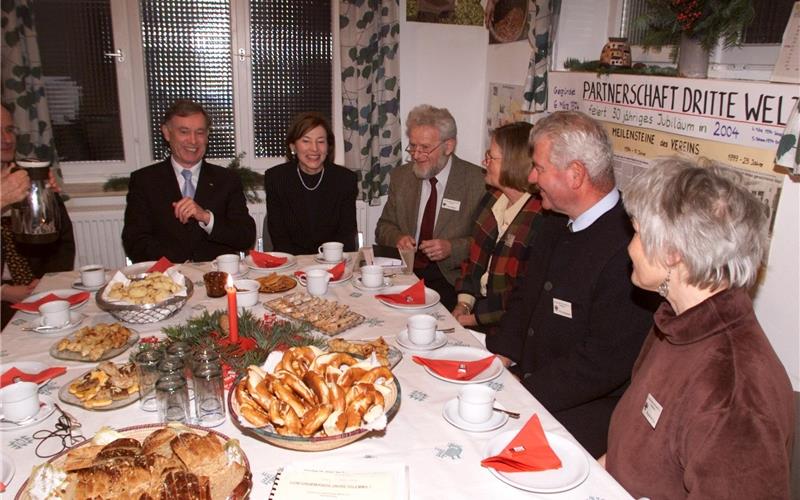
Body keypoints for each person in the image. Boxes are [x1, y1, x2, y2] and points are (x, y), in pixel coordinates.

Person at [605, 158, 794, 499]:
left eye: (636, 231)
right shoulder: (676, 323)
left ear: (673, 252)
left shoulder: (734, 388)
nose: (629, 246)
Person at [486, 111, 658, 457]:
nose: (532, 178)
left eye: (540, 168)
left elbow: (604, 361)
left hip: (583, 411)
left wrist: (524, 391)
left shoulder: (629, 245)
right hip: (529, 383)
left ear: (575, 174)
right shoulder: (553, 220)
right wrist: (498, 359)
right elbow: (526, 297)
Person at [375, 104, 485, 309]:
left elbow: (486, 243)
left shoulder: (478, 182)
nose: (416, 155)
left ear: (448, 146)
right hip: (405, 273)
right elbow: (383, 227)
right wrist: (398, 238)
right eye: (413, 146)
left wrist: (452, 248)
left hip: (451, 280)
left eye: (425, 148)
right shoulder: (402, 177)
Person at [122, 99, 256, 263]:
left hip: (217, 277)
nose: (193, 141)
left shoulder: (227, 180)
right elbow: (134, 241)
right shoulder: (145, 181)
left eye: (199, 132)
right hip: (167, 278)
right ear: (166, 132)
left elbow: (245, 237)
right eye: (184, 132)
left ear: (207, 136)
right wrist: (174, 264)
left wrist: (206, 218)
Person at [452, 122, 543, 334]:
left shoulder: (540, 218)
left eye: (491, 157)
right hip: (475, 313)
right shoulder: (492, 198)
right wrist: (463, 303)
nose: (484, 162)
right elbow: (472, 261)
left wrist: (472, 319)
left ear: (513, 163)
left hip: (509, 328)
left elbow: (523, 294)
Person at [1, 103, 75, 329]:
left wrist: (48, 280)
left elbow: (63, 239)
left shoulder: (30, 175)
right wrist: (4, 292)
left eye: (10, 130)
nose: (6, 139)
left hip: (37, 287)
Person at [264, 112, 357, 255]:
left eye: (321, 141)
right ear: (293, 146)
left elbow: (347, 236)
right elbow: (279, 237)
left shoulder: (345, 180)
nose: (314, 149)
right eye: (306, 141)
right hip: (292, 263)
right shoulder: (276, 178)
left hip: (332, 263)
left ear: (328, 146)